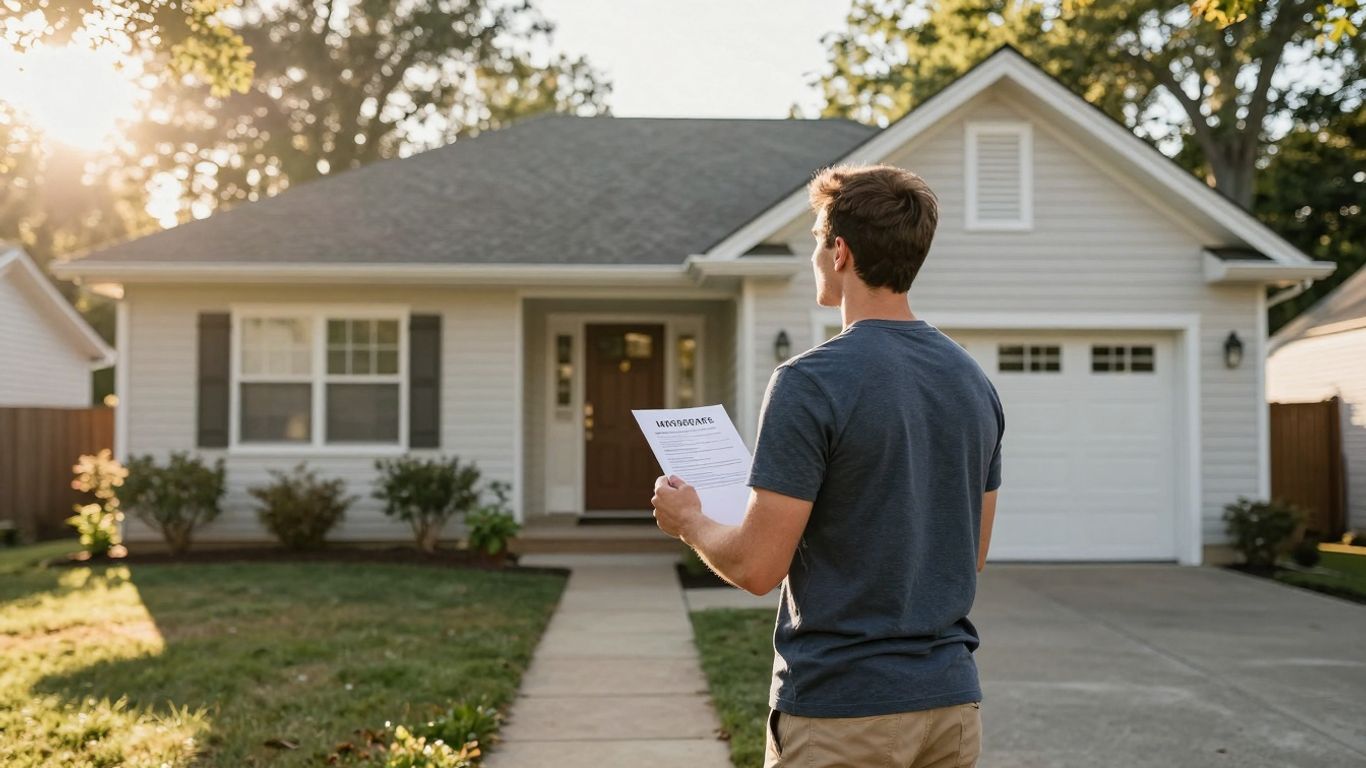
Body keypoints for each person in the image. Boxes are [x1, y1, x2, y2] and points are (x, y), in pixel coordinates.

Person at [650, 163, 1004, 768]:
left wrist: (690, 521)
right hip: (951, 708)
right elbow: (970, 552)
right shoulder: (972, 381)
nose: (816, 251)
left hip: (844, 713)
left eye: (817, 237)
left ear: (840, 251)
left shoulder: (809, 382)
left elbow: (759, 568)